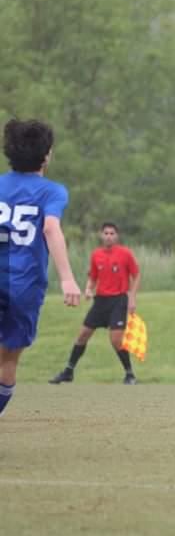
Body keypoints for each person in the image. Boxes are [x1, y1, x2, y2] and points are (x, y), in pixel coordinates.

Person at [0, 119, 81, 417]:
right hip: (23, 286)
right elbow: (50, 228)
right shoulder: (51, 191)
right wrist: (68, 279)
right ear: (46, 155)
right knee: (8, 361)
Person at [49, 223, 140, 384]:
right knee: (83, 334)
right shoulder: (96, 254)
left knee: (116, 340)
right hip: (101, 301)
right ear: (101, 235)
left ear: (117, 236)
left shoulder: (125, 254)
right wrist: (89, 289)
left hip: (118, 300)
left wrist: (132, 297)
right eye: (106, 233)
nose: (109, 236)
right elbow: (93, 276)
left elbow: (136, 275)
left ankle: (129, 373)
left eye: (112, 233)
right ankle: (68, 371)